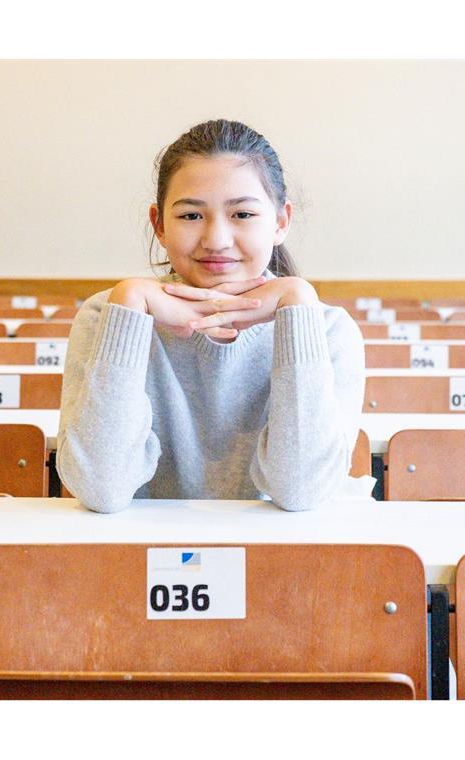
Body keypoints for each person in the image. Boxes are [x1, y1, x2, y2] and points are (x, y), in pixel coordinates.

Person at [57, 118, 364, 513]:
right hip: (138, 561)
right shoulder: (108, 317)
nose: (216, 240)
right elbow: (102, 489)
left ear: (281, 221)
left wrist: (299, 304)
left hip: (283, 562)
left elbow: (300, 491)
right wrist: (130, 300)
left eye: (243, 215)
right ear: (159, 225)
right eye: (190, 216)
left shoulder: (327, 329)